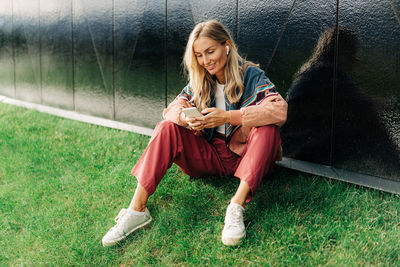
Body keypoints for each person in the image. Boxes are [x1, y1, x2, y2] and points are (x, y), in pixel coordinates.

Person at [102, 19, 287, 247]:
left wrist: (228, 117)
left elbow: (279, 110)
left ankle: (236, 207)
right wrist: (186, 119)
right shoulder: (201, 80)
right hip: (210, 156)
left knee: (268, 129)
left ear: (226, 45)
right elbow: (171, 110)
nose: (205, 61)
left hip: (247, 155)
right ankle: (137, 210)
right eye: (199, 55)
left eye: (210, 51)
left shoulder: (251, 75)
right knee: (167, 127)